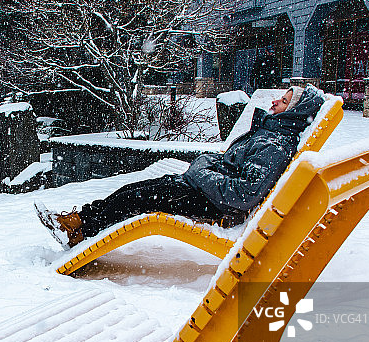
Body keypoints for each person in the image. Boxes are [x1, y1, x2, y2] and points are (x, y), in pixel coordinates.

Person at [36, 85, 323, 249]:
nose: (274, 101)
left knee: (139, 197)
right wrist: (205, 170)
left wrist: (200, 171)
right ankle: (80, 223)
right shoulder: (269, 134)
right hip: (207, 192)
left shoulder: (274, 144)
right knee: (138, 189)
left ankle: (81, 228)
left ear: (295, 111)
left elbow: (244, 194)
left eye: (284, 101)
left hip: (215, 207)